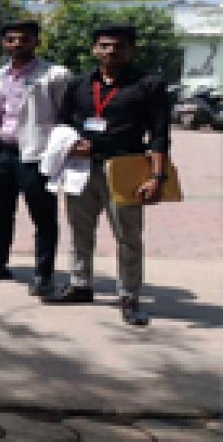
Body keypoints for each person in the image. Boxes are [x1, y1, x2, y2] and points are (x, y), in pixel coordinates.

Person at [43, 25, 171, 326]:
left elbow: (159, 135)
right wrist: (71, 144)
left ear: (131, 50)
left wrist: (157, 178)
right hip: (82, 169)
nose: (111, 51)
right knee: (79, 230)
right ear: (94, 49)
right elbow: (63, 122)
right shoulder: (79, 84)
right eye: (104, 45)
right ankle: (80, 284)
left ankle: (129, 297)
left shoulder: (148, 85)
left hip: (125, 168)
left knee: (128, 237)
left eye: (119, 46)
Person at [0, 21, 72, 295]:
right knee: (1, 211)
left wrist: (59, 150)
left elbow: (66, 114)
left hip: (36, 155)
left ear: (36, 42)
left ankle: (43, 275)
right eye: (11, 39)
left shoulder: (55, 75)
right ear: (4, 43)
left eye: (24, 39)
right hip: (1, 152)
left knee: (43, 216)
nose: (17, 44)